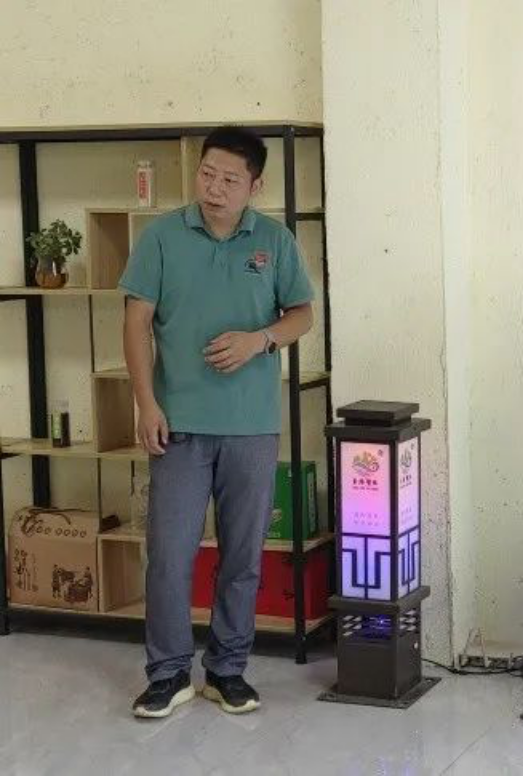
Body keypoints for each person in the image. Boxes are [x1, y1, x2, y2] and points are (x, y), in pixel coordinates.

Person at [121, 126, 314, 718]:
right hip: (177, 423)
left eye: (230, 179)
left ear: (255, 185)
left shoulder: (275, 241)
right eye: (207, 174)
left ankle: (227, 670)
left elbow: (302, 315)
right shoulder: (161, 237)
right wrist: (146, 403)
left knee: (243, 557)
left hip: (251, 426)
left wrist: (260, 340)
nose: (215, 187)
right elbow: (136, 323)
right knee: (169, 555)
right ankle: (168, 674)